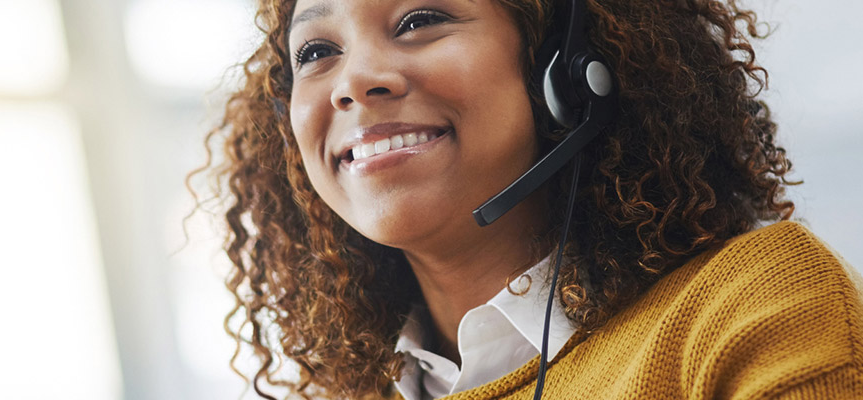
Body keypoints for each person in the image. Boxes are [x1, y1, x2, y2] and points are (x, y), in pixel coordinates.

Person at [197, 0, 863, 398]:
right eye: (316, 50)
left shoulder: (754, 306)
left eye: (420, 20)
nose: (356, 81)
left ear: (567, 70)